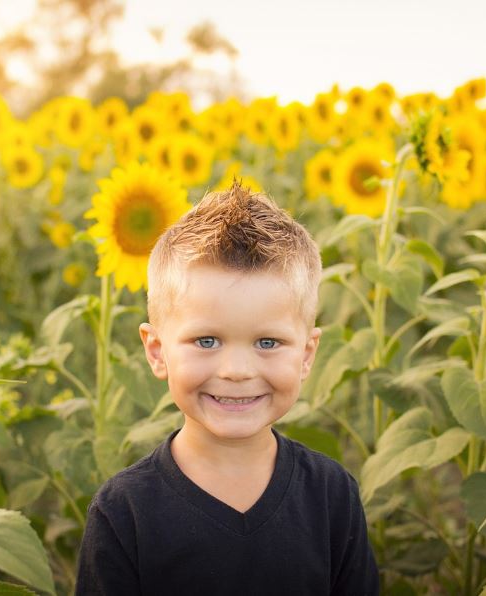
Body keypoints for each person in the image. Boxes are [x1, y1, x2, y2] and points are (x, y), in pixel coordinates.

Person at [75, 181, 379, 595]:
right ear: (157, 351)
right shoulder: (124, 512)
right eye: (207, 341)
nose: (236, 370)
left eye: (267, 343)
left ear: (307, 355)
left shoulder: (331, 498)